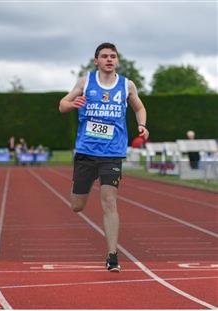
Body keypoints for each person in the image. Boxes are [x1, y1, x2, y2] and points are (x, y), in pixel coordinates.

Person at [59, 42, 149, 272]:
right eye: (105, 56)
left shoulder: (126, 85)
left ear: (117, 60)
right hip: (86, 152)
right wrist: (72, 104)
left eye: (113, 56)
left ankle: (112, 255)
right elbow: (62, 105)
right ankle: (82, 190)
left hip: (113, 153)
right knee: (77, 206)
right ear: (96, 60)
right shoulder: (85, 82)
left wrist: (141, 125)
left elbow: (139, 107)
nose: (109, 59)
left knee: (109, 201)